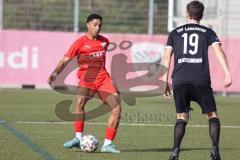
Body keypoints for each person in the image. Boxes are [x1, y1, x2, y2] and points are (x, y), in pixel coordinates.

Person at [161, 1, 232, 160]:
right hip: (200, 79)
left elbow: (166, 57)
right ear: (202, 15)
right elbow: (218, 51)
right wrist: (227, 73)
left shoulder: (175, 32)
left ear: (188, 13)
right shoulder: (207, 32)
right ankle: (215, 150)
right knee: (212, 114)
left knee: (181, 117)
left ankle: (175, 151)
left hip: (179, 79)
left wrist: (163, 81)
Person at [48, 13, 121, 153]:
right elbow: (65, 60)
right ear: (88, 25)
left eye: (100, 25)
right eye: (95, 25)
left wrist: (110, 79)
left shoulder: (105, 42)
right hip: (86, 78)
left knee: (117, 107)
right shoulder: (79, 43)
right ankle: (78, 137)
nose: (98, 28)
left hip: (103, 78)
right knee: (80, 101)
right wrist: (55, 73)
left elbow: (102, 63)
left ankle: (107, 144)